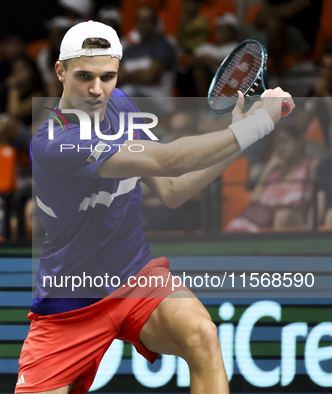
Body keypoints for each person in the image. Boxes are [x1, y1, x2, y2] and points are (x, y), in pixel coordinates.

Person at [17, 20, 293, 394]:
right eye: (84, 76)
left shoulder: (120, 105)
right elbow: (169, 161)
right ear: (60, 72)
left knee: (202, 335)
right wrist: (258, 123)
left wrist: (238, 140)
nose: (97, 90)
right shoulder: (55, 143)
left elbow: (173, 189)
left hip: (134, 277)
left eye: (107, 76)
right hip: (71, 302)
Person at [224, 124, 317, 232]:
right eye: (277, 144)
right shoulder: (273, 171)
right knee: (235, 226)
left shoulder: (310, 167)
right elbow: (254, 200)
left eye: (285, 141)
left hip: (292, 218)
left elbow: (316, 199)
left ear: (298, 142)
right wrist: (269, 168)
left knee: (282, 216)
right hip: (263, 221)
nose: (281, 147)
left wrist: (312, 226)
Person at [118, 5, 177, 115]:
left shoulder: (163, 46)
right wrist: (138, 74)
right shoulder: (129, 50)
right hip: (131, 98)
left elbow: (149, 76)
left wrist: (127, 75)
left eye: (146, 20)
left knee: (128, 92)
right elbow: (116, 78)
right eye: (139, 20)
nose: (143, 25)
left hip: (157, 102)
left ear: (155, 23)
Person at [249, 0, 322, 77]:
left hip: (302, 35)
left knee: (272, 25)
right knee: (245, 31)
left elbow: (287, 11)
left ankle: (278, 74)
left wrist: (270, 13)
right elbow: (256, 21)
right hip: (269, 33)